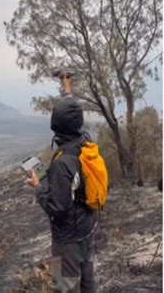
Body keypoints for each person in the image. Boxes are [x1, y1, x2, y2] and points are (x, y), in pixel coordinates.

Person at [26, 74, 97, 293]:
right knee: (88, 286)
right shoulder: (85, 143)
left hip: (65, 241)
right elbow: (73, 115)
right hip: (87, 230)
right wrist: (67, 92)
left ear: (55, 127)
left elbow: (57, 208)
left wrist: (38, 187)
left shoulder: (62, 164)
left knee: (64, 289)